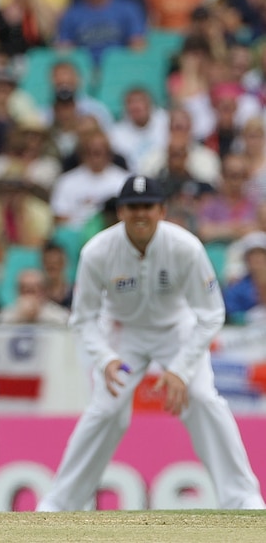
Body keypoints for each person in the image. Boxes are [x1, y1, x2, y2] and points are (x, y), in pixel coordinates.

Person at [37, 176, 265, 512]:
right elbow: (83, 318)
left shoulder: (185, 247)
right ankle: (59, 504)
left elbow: (211, 314)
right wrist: (105, 358)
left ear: (161, 210)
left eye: (148, 206)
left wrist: (181, 370)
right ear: (120, 212)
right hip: (124, 337)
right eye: (133, 207)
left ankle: (243, 499)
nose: (140, 214)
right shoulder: (97, 252)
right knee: (106, 411)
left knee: (203, 399)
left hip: (177, 331)